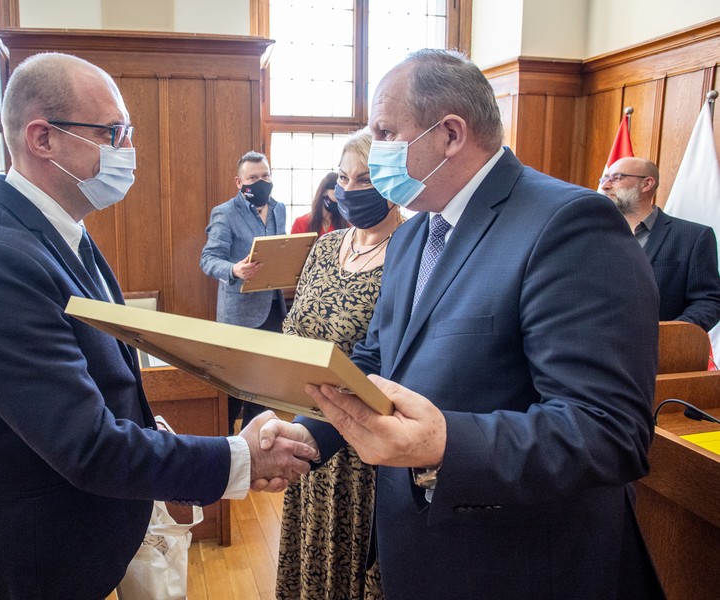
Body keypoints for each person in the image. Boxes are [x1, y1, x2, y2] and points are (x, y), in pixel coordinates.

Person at [263, 49, 665, 599]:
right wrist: (309, 432)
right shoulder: (411, 235)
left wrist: (446, 444)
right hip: (419, 550)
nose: (374, 147)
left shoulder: (569, 224)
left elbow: (606, 432)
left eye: (384, 131)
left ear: (450, 134)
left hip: (518, 566)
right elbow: (381, 361)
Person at [0, 53, 316, 600]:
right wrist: (241, 457)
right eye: (113, 132)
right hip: (22, 570)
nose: (129, 151)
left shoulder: (62, 233)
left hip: (78, 550)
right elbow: (86, 445)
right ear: (43, 138)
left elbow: (100, 380)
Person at [277, 128, 398, 600]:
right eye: (345, 178)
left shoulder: (412, 249)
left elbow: (386, 353)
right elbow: (295, 323)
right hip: (309, 420)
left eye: (365, 179)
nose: (350, 190)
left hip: (365, 438)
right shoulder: (327, 247)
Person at [200, 151, 287, 434]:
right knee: (235, 390)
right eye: (253, 178)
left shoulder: (279, 208)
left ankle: (255, 443)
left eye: (265, 176)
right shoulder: (225, 212)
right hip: (240, 315)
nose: (260, 182)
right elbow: (209, 259)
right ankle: (225, 447)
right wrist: (234, 270)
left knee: (264, 387)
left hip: (274, 309)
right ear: (239, 182)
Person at [601, 156, 720, 332]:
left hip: (657, 354)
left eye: (616, 178)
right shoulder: (594, 234)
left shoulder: (693, 237)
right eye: (604, 178)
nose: (605, 186)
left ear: (647, 184)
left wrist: (671, 334)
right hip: (595, 350)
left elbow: (708, 301)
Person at [290, 171, 348, 236]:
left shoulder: (347, 224)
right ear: (324, 191)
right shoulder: (301, 223)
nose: (339, 200)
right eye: (336, 194)